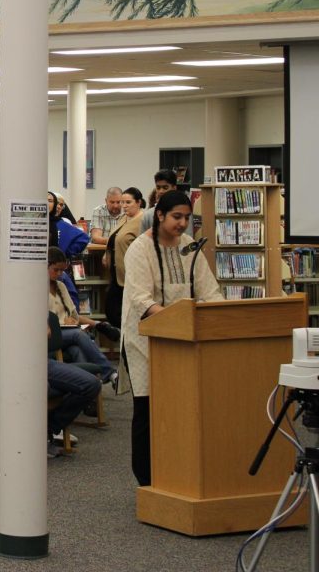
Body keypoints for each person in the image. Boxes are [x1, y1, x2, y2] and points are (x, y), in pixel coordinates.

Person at [121, 189, 221, 487]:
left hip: (182, 339)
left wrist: (219, 314)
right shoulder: (140, 249)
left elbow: (208, 290)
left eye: (187, 218)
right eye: (177, 217)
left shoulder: (190, 247)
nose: (182, 224)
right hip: (145, 340)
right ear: (160, 215)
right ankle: (147, 480)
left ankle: (178, 473)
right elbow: (140, 297)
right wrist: (166, 318)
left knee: (182, 408)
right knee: (148, 408)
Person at [0, 251, 101, 457]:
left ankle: (47, 430)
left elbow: (46, 332)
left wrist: (13, 328)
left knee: (91, 384)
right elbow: (0, 332)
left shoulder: (24, 295)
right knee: (34, 385)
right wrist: (21, 328)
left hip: (33, 359)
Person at [47, 246, 118, 381]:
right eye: (56, 270)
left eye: (62, 270)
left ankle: (88, 388)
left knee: (76, 350)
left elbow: (74, 315)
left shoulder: (61, 286)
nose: (59, 274)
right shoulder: (36, 288)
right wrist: (62, 322)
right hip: (50, 335)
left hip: (68, 333)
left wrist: (96, 324)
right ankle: (109, 372)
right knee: (79, 335)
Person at [105, 186, 145, 326]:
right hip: (116, 274)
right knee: (112, 311)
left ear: (139, 202)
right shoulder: (123, 218)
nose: (124, 206)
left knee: (126, 315)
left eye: (128, 203)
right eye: (122, 202)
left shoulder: (142, 220)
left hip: (131, 275)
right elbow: (114, 238)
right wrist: (107, 252)